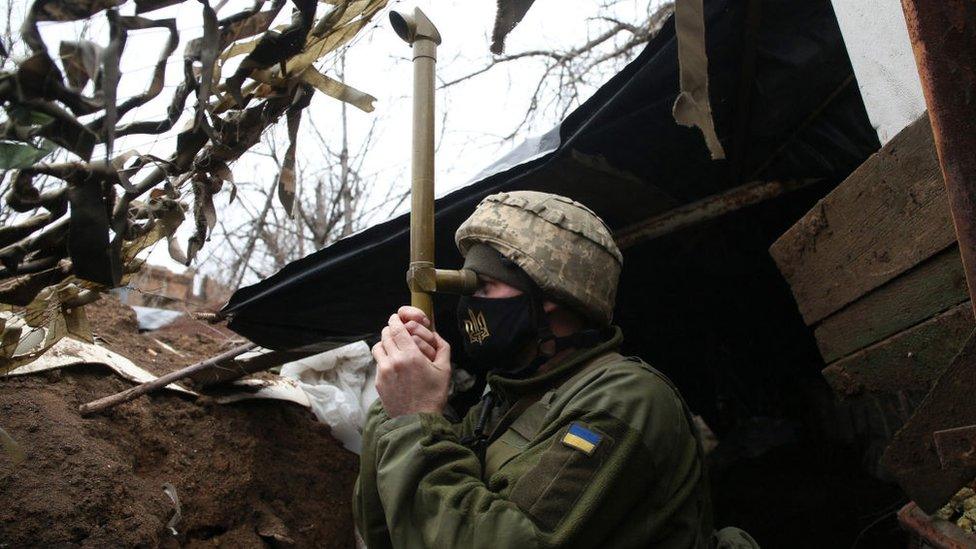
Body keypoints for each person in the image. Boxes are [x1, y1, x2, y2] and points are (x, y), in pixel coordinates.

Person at [353, 191, 713, 548]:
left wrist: (415, 418)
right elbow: (391, 530)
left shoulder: (625, 399)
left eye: (483, 285)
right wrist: (393, 410)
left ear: (552, 293)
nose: (467, 305)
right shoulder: (502, 401)